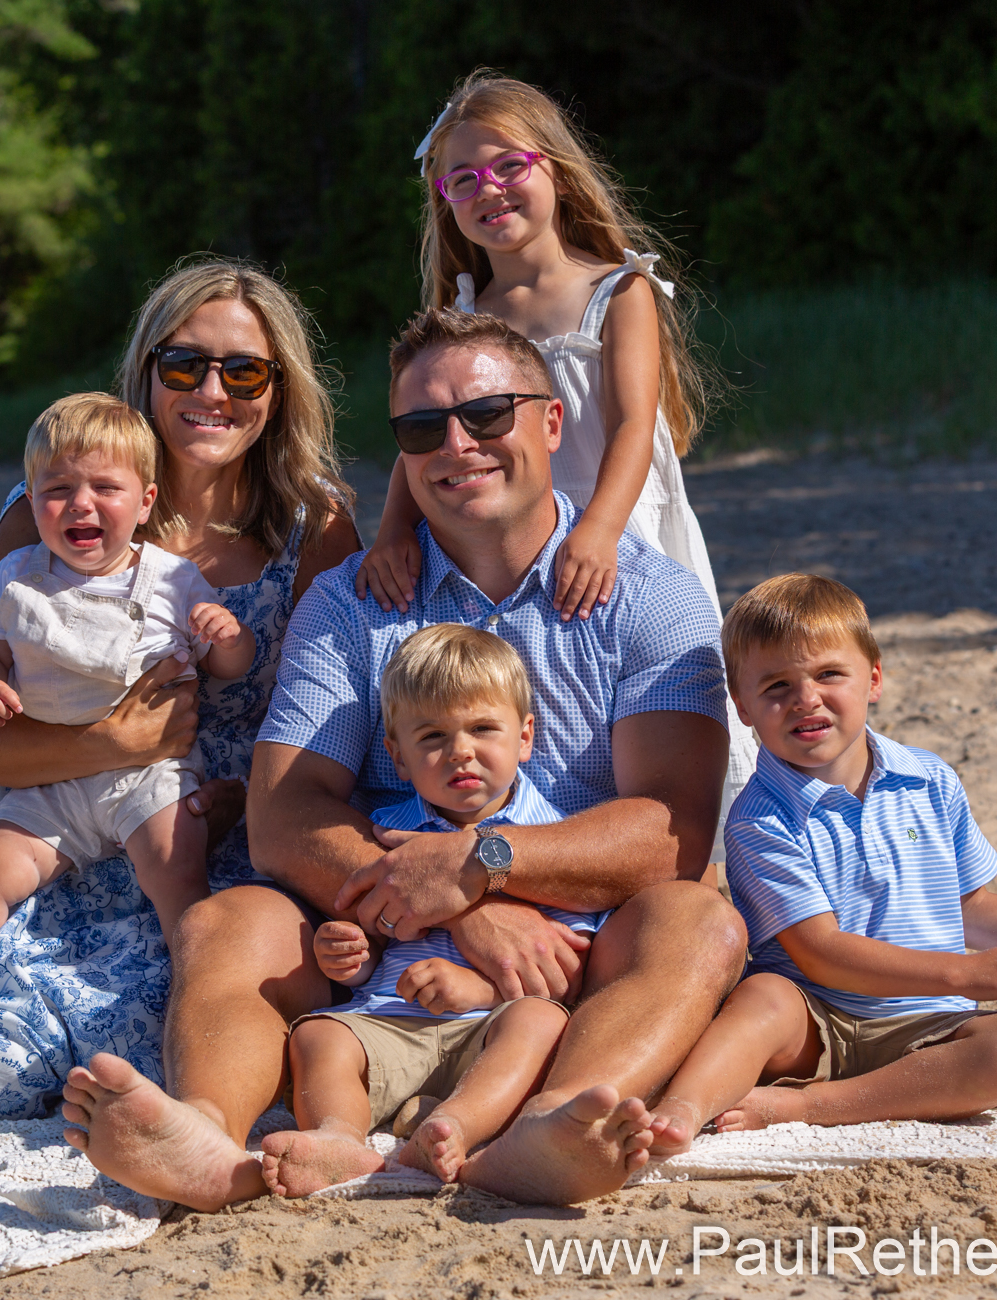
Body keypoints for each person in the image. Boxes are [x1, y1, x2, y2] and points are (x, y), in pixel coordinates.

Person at [62, 306, 747, 1208]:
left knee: (699, 922)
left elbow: (672, 829)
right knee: (230, 922)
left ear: (551, 421)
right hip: (379, 963)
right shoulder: (351, 602)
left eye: (487, 415)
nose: (457, 445)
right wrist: (450, 907)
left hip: (580, 958)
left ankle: (554, 1123)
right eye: (423, 427)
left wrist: (482, 866)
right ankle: (206, 1137)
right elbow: (283, 814)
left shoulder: (653, 597)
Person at [0, 260, 360, 1122]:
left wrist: (241, 796)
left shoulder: (312, 526)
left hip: (206, 838)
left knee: (168, 1049)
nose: (211, 391)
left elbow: (332, 725)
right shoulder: (50, 513)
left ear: (279, 389)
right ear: (147, 370)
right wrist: (113, 741)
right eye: (185, 364)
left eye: (244, 371)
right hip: (44, 819)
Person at [646, 575, 997, 1155]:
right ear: (743, 708)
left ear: (874, 679)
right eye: (777, 685)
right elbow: (820, 952)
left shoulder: (928, 780)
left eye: (829, 674)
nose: (806, 698)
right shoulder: (759, 819)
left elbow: (970, 908)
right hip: (814, 1025)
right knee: (763, 998)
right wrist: (966, 973)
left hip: (927, 1029)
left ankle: (811, 1106)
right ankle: (680, 1112)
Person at [352, 70, 756, 860]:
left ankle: (674, 857)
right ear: (444, 199)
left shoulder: (616, 288)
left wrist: (599, 531)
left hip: (608, 520)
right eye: (464, 180)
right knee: (514, 682)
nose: (490, 189)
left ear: (557, 170)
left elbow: (636, 424)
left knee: (635, 686)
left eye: (509, 166)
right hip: (493, 536)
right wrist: (394, 529)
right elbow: (427, 435)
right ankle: (518, 832)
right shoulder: (466, 311)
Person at [0, 395, 254, 1041]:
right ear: (31, 497)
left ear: (146, 502)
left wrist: (227, 635)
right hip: (49, 779)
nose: (80, 504)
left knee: (173, 862)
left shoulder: (172, 581)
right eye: (58, 489)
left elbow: (229, 668)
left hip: (149, 775)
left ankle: (199, 975)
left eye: (105, 488)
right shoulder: (17, 578)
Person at [260, 625, 601, 1195]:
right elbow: (373, 936)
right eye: (434, 736)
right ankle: (338, 1137)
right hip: (389, 1021)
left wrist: (481, 990)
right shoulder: (383, 836)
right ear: (397, 755)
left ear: (524, 737)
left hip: (488, 1032)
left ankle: (454, 1126)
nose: (461, 750)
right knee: (318, 1036)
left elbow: (567, 970)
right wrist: (349, 956)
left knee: (541, 1022)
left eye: (483, 729)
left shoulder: (553, 843)